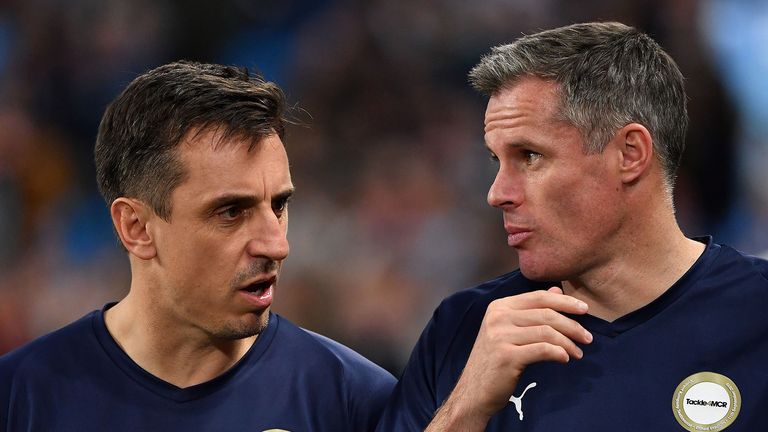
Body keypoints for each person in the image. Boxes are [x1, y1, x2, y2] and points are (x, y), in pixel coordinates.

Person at [376, 22, 768, 431]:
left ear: (629, 154)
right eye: (497, 161)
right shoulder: (464, 329)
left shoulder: (758, 312)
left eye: (529, 156)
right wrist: (465, 408)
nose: (497, 194)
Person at [0, 61, 395, 431]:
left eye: (278, 205)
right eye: (230, 212)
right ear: (136, 227)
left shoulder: (356, 401)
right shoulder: (19, 398)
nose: (277, 244)